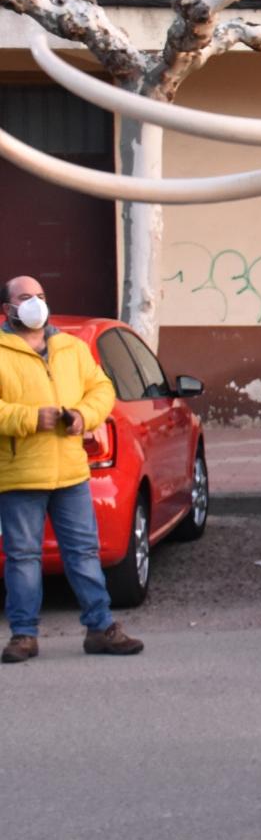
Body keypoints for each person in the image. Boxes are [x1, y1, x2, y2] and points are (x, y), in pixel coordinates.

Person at [1, 275, 142, 663]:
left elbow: (101, 389)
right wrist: (30, 418)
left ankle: (101, 628)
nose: (35, 304)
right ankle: (24, 636)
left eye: (41, 296)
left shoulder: (71, 347)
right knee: (23, 557)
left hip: (71, 471)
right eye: (25, 297)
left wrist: (82, 415)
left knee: (83, 552)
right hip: (21, 473)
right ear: (7, 309)